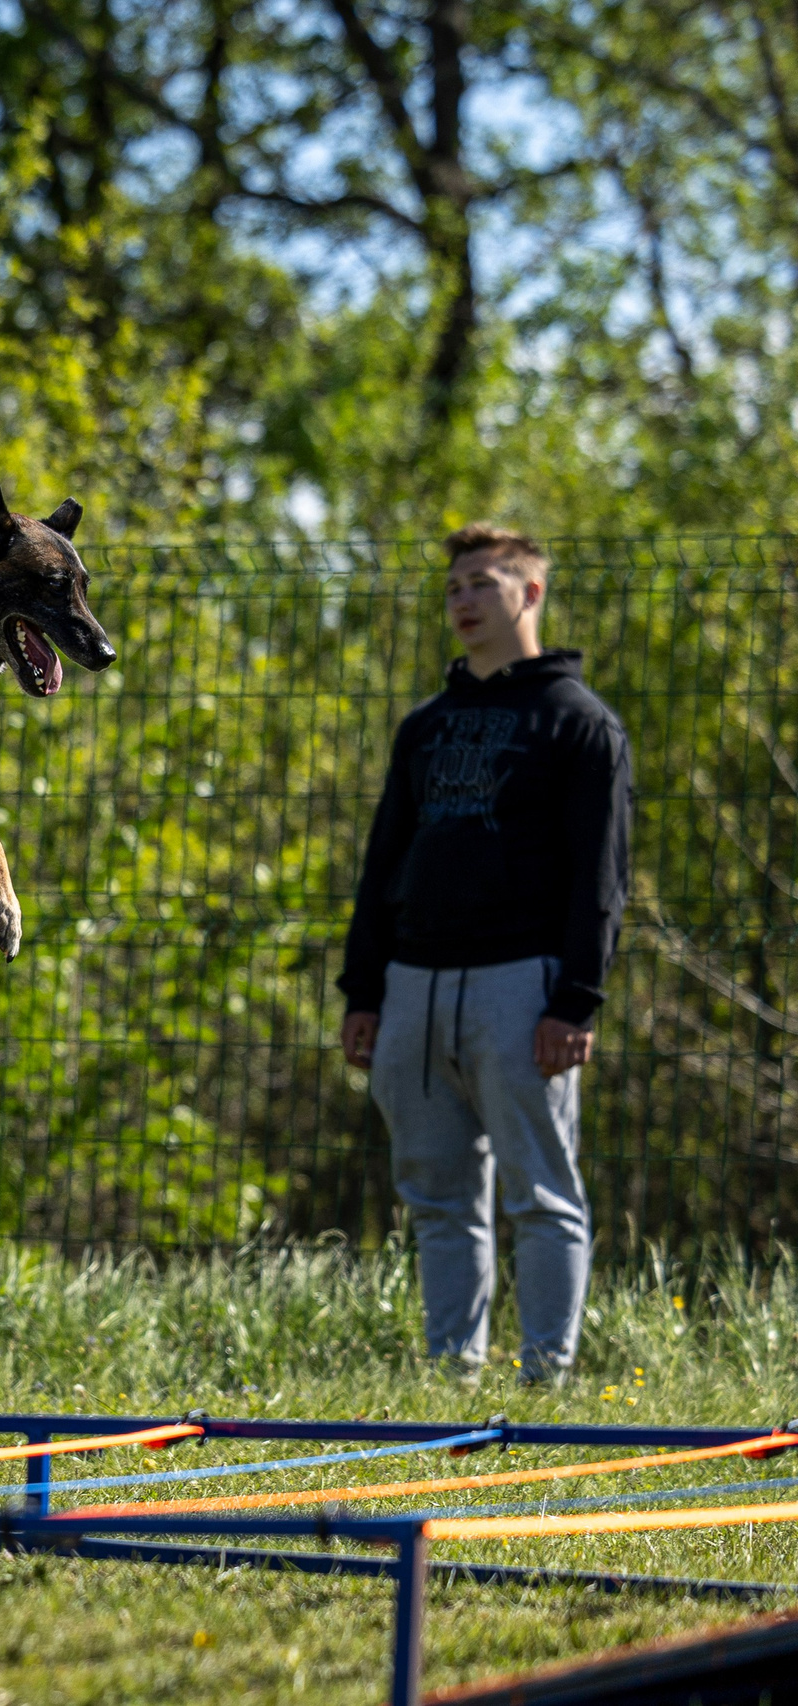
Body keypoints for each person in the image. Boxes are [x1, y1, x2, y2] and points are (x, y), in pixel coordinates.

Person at [339, 523, 633, 1385]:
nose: (463, 600)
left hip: (523, 987)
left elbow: (601, 879)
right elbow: (382, 860)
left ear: (530, 594)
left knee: (541, 1192)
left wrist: (575, 1000)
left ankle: (547, 1374)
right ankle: (450, 1373)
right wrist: (365, 991)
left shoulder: (580, 724)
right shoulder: (425, 726)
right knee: (436, 1195)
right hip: (411, 987)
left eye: (483, 583)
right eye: (454, 588)